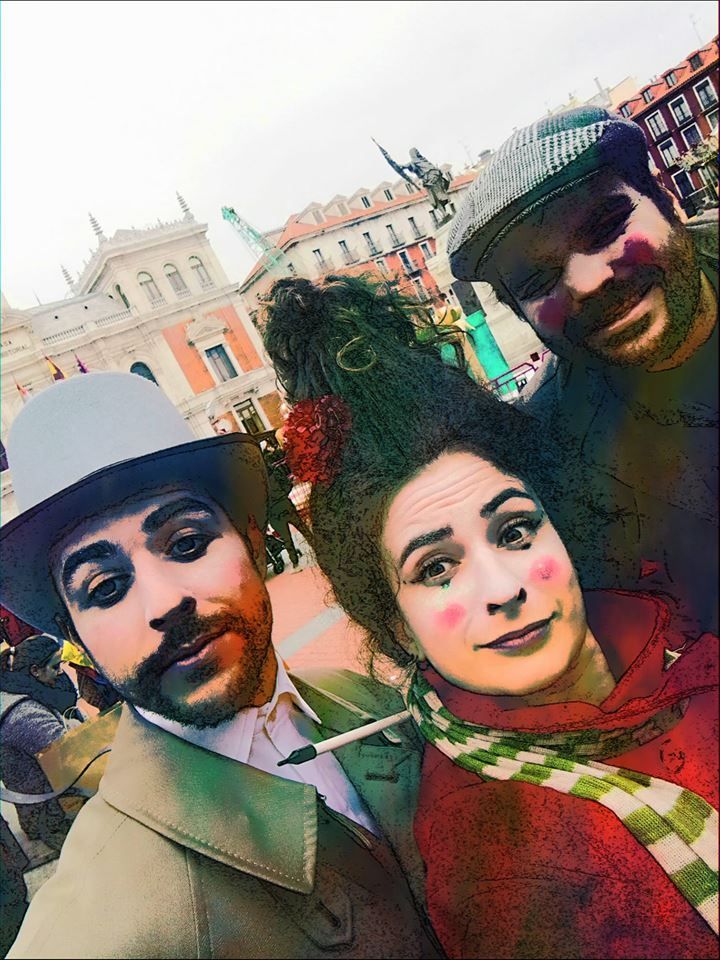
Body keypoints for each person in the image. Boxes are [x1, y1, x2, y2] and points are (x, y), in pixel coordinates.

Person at [262, 273, 718, 959]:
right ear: (398, 626)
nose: (502, 588)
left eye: (514, 531)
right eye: (435, 569)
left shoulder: (677, 621)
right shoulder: (501, 869)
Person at [0, 372, 439, 959]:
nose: (164, 602)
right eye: (105, 588)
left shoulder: (369, 701)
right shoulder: (96, 933)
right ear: (75, 633)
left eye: (186, 544)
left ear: (253, 541)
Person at [447, 106, 718, 634]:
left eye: (605, 227)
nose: (589, 282)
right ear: (519, 312)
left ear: (665, 201)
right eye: (537, 280)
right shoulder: (554, 456)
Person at [0, 633, 83, 852]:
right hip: (50, 816)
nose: (60, 673)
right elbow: (73, 753)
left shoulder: (17, 687)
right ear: (35, 671)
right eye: (55, 667)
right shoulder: (24, 715)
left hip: (44, 804)